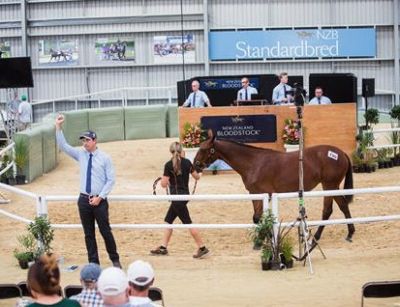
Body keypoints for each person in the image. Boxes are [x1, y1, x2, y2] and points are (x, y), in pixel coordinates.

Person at [55, 114, 121, 268]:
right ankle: (93, 262)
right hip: (84, 199)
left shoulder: (105, 158)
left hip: (99, 200)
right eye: (83, 141)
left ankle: (114, 259)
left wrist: (100, 197)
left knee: (105, 231)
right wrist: (58, 127)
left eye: (87, 140)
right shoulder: (81, 155)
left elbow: (110, 180)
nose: (84, 143)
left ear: (94, 141)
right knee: (88, 234)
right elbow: (63, 146)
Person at [150, 142, 210, 259]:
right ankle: (163, 247)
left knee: (188, 222)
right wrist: (201, 173)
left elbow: (163, 184)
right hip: (184, 197)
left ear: (170, 151)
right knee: (168, 221)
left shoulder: (168, 165)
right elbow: (197, 177)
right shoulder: (187, 162)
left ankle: (202, 248)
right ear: (181, 150)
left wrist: (164, 178)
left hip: (176, 198)